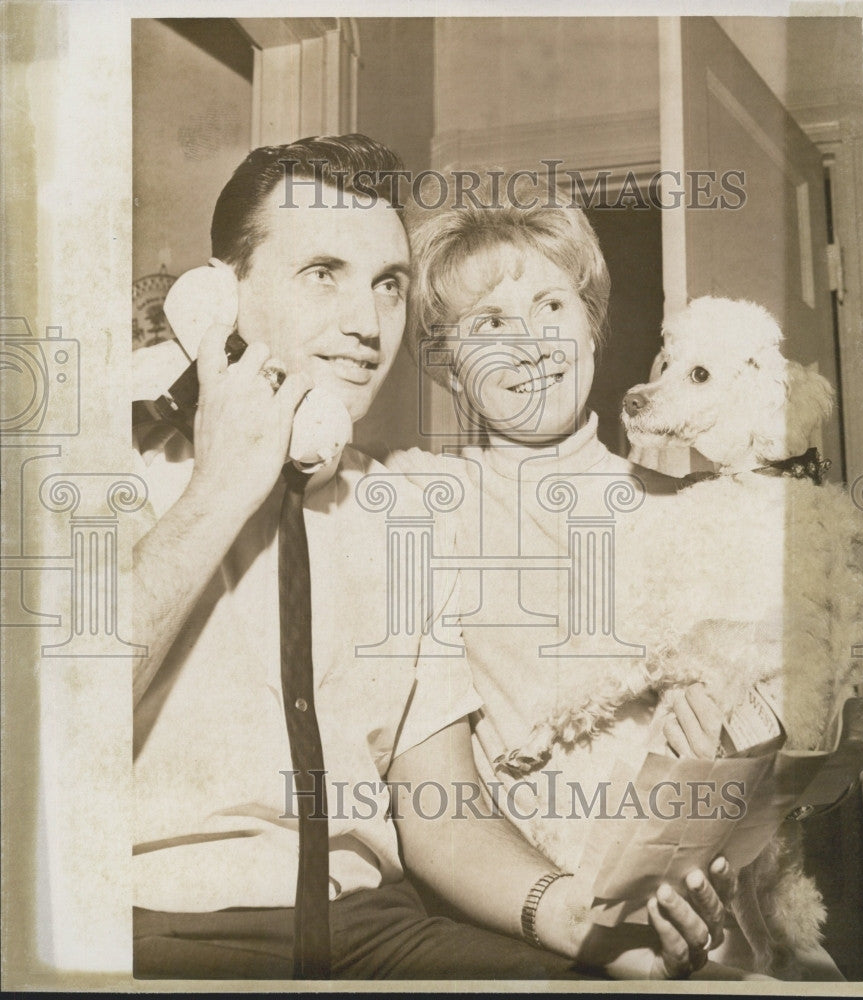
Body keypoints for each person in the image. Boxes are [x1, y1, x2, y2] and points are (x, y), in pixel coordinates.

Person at [131, 134, 738, 981]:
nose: (363, 322)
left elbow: (438, 808)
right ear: (220, 293)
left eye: (386, 285)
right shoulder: (107, 457)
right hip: (163, 929)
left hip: (379, 930)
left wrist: (572, 918)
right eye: (323, 274)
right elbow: (46, 719)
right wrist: (219, 486)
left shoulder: (394, 513)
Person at [391, 178, 842, 979]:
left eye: (552, 307)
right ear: (450, 369)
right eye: (490, 323)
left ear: (592, 327)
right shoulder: (418, 497)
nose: (531, 343)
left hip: (707, 894)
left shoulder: (694, 504)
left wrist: (735, 728)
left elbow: (791, 725)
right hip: (539, 910)